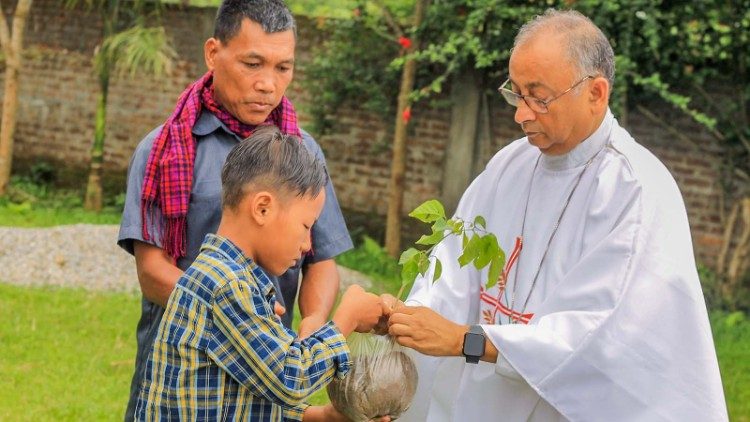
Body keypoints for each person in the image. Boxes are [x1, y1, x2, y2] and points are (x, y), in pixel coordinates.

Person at [386, 9, 728, 421]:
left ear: (596, 93)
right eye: (515, 93)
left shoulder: (634, 192)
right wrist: (406, 318)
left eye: (539, 97)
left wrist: (468, 340)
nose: (521, 114)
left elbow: (600, 338)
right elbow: (452, 271)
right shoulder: (508, 167)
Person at [117, 1, 352, 420]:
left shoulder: (303, 153)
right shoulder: (162, 151)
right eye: (253, 63)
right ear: (213, 53)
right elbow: (153, 272)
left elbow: (321, 259)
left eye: (283, 68)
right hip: (184, 376)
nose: (268, 84)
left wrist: (314, 320)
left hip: (269, 368)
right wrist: (244, 317)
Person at [134, 126, 384, 421]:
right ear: (262, 208)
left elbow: (246, 397)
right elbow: (290, 377)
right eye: (306, 227)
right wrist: (347, 319)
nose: (307, 245)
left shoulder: (234, 279)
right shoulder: (226, 285)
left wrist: (322, 417)